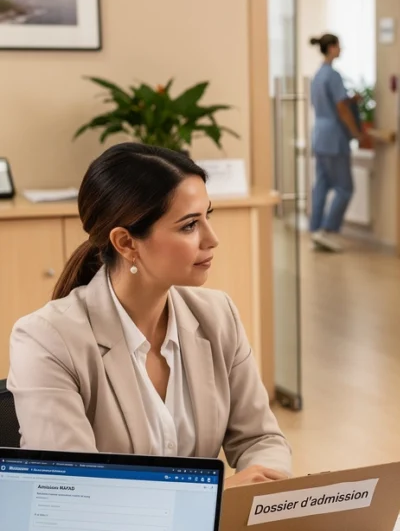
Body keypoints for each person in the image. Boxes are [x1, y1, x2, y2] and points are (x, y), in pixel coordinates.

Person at [8, 143, 292, 487]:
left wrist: (263, 487)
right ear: (126, 243)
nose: (212, 239)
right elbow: (77, 491)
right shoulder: (46, 340)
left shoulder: (218, 315)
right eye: (189, 225)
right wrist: (218, 497)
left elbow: (260, 439)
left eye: (208, 216)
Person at [308, 33, 370, 253]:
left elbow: (328, 102)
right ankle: (327, 231)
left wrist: (348, 101)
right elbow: (341, 108)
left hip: (320, 135)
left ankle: (315, 229)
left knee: (322, 185)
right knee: (345, 188)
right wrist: (356, 132)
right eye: (339, 46)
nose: (341, 49)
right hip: (335, 137)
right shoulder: (333, 75)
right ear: (332, 48)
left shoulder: (318, 75)